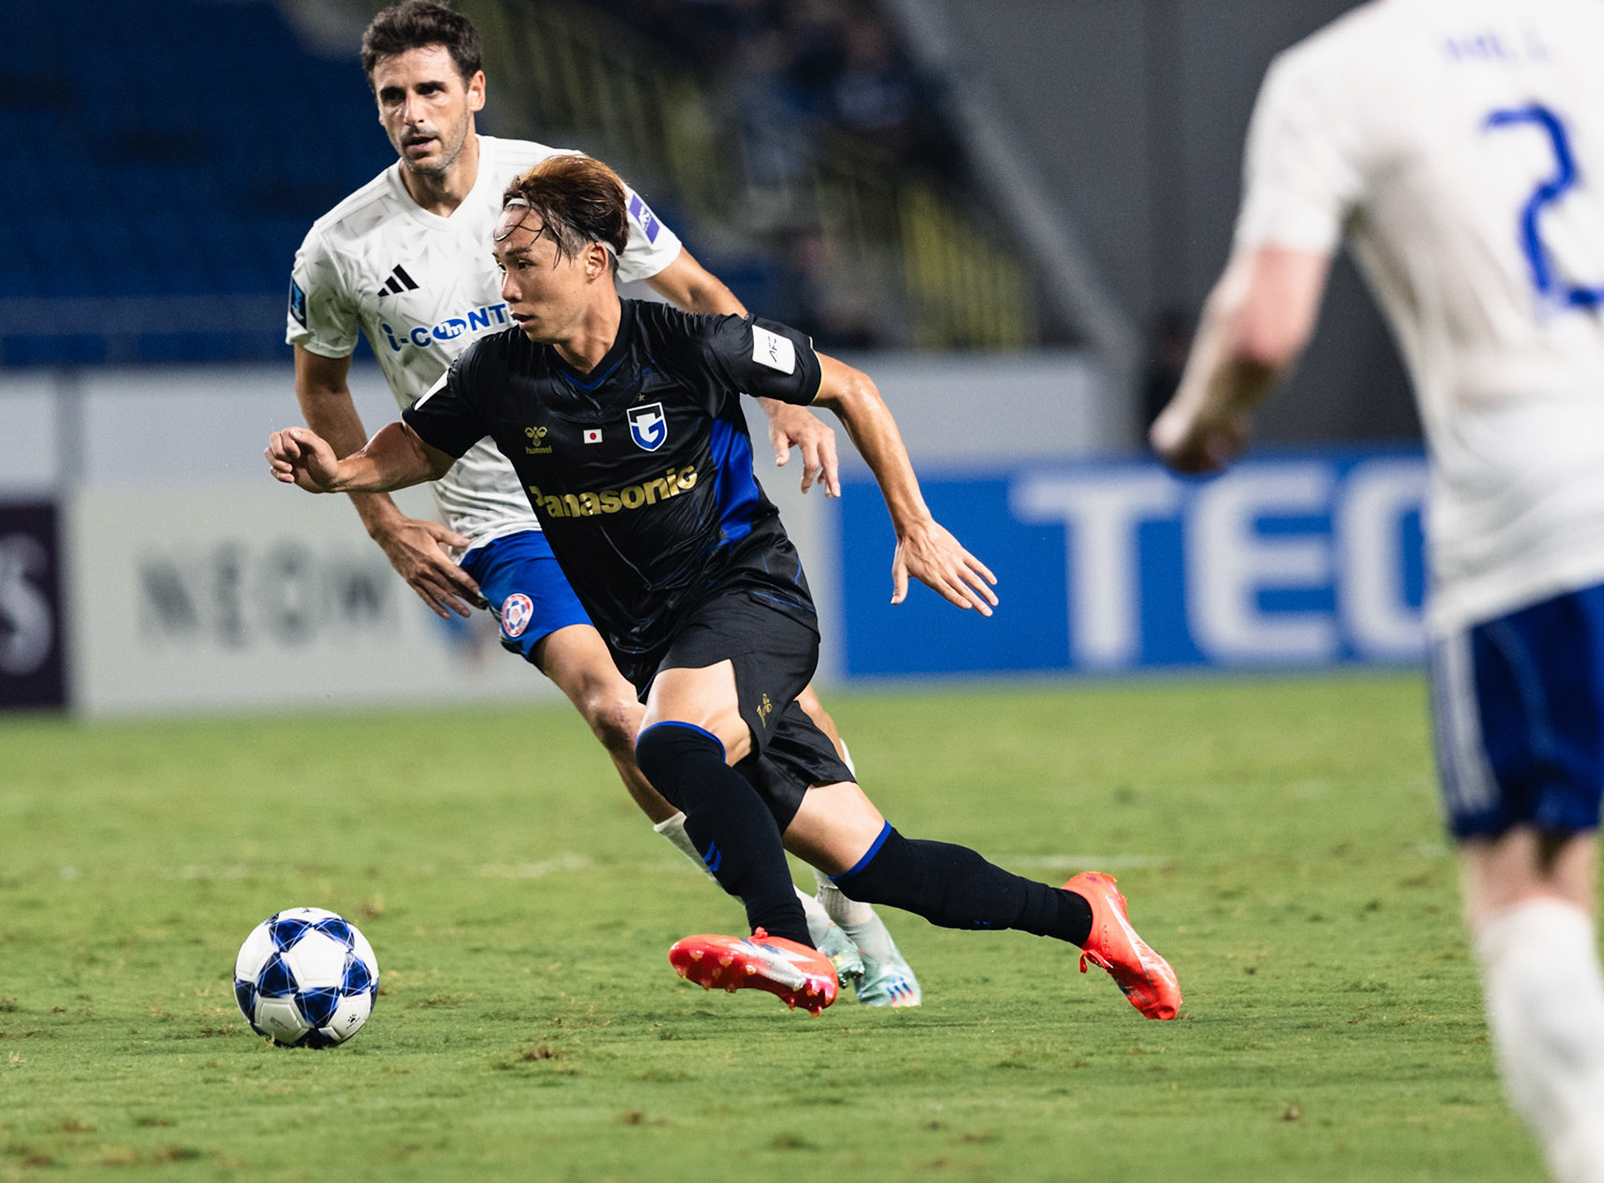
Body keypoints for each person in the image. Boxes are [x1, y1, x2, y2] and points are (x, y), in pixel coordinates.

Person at [268, 152, 1182, 1021]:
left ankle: (788, 940)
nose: (504, 290)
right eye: (500, 267)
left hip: (754, 602)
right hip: (663, 643)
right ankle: (1088, 917)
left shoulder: (693, 346)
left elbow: (853, 388)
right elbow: (417, 447)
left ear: (595, 262)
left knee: (664, 741)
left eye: (522, 266)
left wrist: (913, 522)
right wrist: (338, 474)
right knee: (881, 866)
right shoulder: (502, 372)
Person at [287, 0, 920, 1005]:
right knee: (617, 714)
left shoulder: (562, 193)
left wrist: (789, 398)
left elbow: (700, 290)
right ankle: (787, 923)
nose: (412, 113)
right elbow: (323, 388)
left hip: (640, 490)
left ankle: (859, 911)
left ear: (474, 92)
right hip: (502, 514)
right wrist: (387, 524)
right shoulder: (341, 245)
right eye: (391, 96)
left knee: (771, 713)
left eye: (431, 90)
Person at [1151, 0, 1604, 1175]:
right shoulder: (1593, 27)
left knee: (1531, 879)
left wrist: (1196, 424)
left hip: (1534, 505)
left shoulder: (1336, 74)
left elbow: (1264, 327)